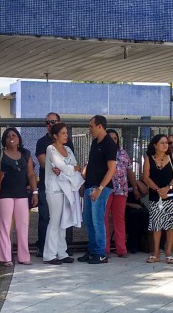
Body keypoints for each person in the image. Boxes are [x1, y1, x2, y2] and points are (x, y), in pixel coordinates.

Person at [0, 128, 38, 267]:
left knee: (23, 225)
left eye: (14, 135)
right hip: (4, 195)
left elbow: (31, 174)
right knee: (4, 225)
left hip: (22, 194)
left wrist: (35, 192)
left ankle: (24, 256)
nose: (11, 138)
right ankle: (5, 257)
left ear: (19, 138)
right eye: (8, 136)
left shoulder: (25, 154)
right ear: (4, 140)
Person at [43, 123, 83, 264]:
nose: (66, 136)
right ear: (55, 135)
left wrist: (68, 169)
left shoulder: (68, 149)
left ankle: (62, 252)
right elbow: (61, 166)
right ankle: (49, 254)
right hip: (54, 189)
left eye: (66, 133)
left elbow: (73, 166)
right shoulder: (51, 149)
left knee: (63, 221)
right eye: (63, 133)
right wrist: (70, 169)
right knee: (54, 220)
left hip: (67, 189)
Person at [79, 115, 117, 264]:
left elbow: (112, 169)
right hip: (90, 186)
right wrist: (85, 183)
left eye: (91, 126)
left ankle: (101, 253)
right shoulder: (95, 142)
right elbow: (92, 165)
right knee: (88, 220)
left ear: (100, 126)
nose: (90, 129)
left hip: (100, 188)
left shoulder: (109, 144)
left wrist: (100, 188)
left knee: (97, 221)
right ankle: (93, 250)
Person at [143, 134, 173, 264]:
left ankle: (169, 252)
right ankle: (156, 253)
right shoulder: (149, 159)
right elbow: (146, 177)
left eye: (167, 142)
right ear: (155, 145)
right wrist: (158, 190)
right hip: (155, 196)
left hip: (170, 195)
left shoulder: (172, 157)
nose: (166, 145)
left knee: (170, 224)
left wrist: (168, 188)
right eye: (162, 143)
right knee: (156, 225)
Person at [35, 113, 63, 257]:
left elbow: (71, 161)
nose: (50, 125)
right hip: (47, 186)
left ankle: (60, 249)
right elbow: (42, 162)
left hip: (63, 186)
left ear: (59, 122)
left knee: (62, 218)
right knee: (45, 217)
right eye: (48, 122)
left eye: (53, 122)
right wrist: (59, 167)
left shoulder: (67, 141)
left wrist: (61, 167)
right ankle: (43, 248)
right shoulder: (41, 142)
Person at [105, 130, 130, 258]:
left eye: (115, 138)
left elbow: (129, 170)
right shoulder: (102, 151)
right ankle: (105, 248)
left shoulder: (123, 153)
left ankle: (121, 249)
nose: (113, 140)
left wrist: (135, 187)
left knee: (119, 219)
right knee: (103, 219)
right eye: (110, 138)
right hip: (106, 189)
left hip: (121, 190)